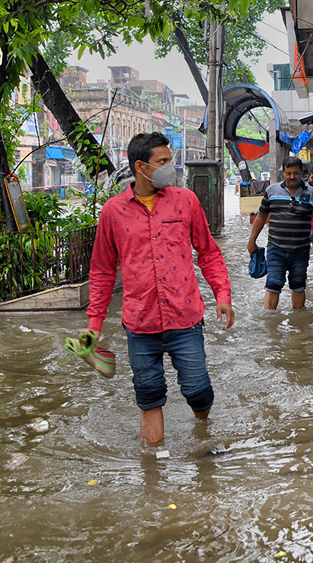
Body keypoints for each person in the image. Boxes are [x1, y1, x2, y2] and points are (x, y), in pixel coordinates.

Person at [83, 132, 234, 446]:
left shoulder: (185, 201)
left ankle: (202, 433)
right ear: (141, 167)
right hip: (140, 325)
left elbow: (207, 252)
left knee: (198, 391)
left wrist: (223, 295)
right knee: (149, 396)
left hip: (185, 318)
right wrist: (93, 327)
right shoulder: (113, 212)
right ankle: (153, 471)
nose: (171, 167)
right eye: (163, 162)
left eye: (170, 160)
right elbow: (101, 271)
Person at [247, 156, 313, 309]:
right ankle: (270, 324)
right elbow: (261, 217)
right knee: (273, 283)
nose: (292, 177)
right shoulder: (271, 191)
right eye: (289, 173)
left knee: (298, 285)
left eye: (296, 173)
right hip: (276, 248)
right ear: (283, 173)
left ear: (302, 173)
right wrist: (252, 240)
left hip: (301, 250)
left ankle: (298, 324)